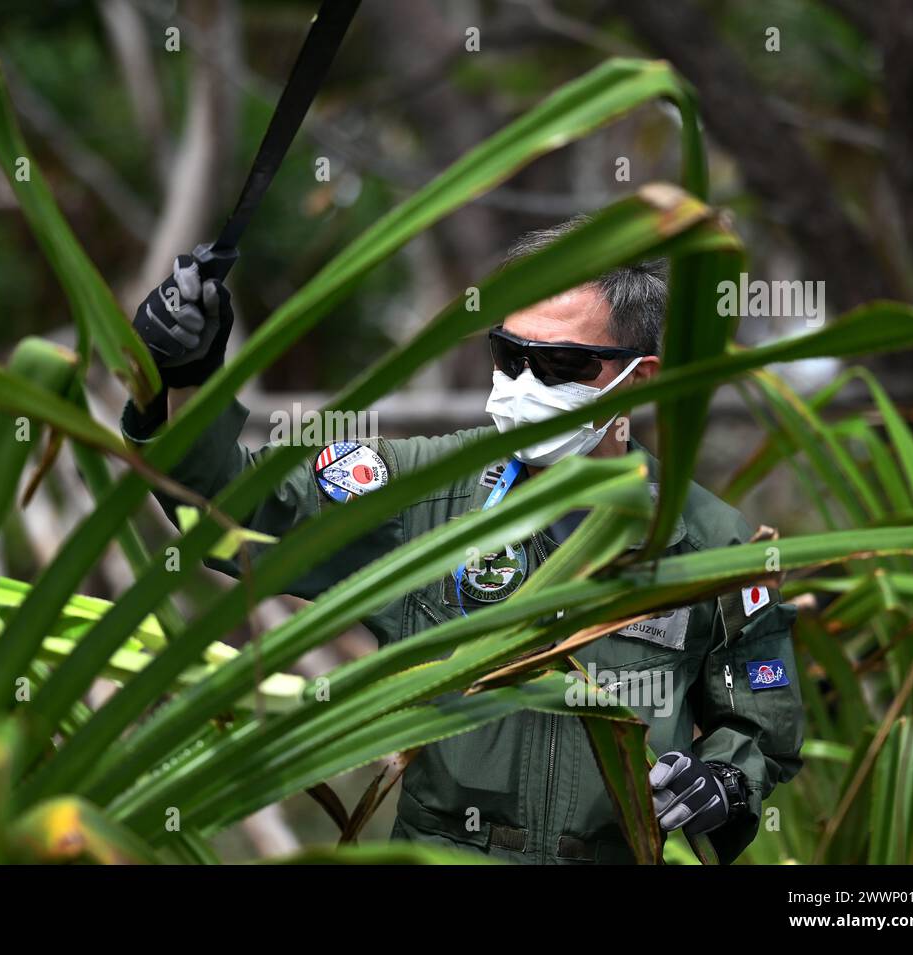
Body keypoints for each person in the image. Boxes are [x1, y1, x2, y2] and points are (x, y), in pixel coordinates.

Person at [124, 217, 804, 864]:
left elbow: (761, 720)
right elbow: (237, 510)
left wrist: (721, 779)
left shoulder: (712, 540)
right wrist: (180, 379)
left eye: (562, 363)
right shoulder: (421, 492)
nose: (525, 384)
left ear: (639, 380)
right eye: (510, 355)